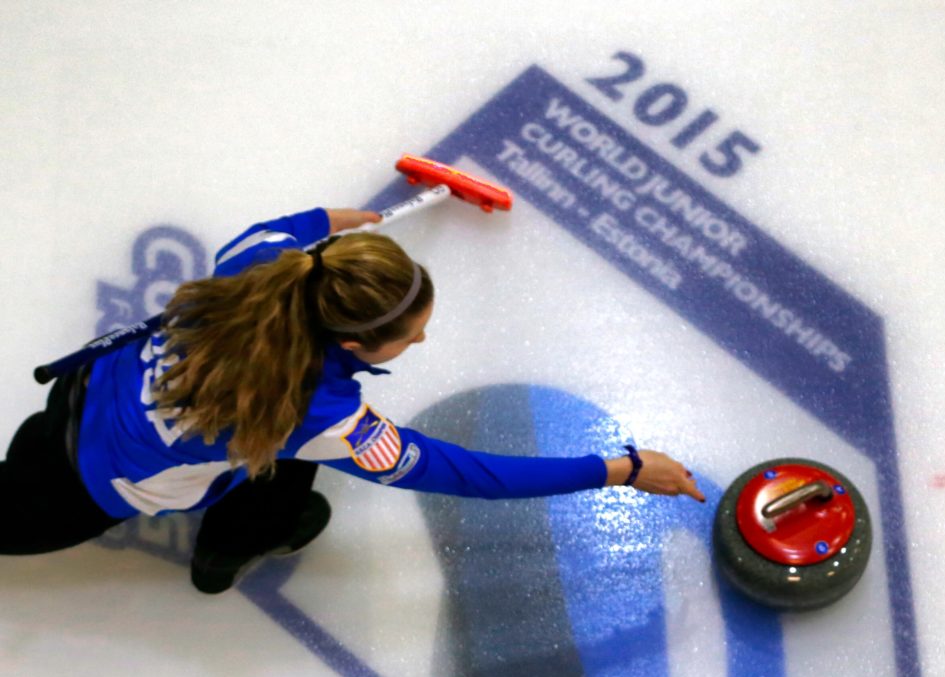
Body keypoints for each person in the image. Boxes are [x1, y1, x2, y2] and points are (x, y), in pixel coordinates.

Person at [0, 205, 705, 592]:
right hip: (77, 493)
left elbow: (303, 229)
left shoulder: (262, 262)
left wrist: (349, 224)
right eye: (411, 335)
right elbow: (470, 473)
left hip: (77, 399)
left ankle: (240, 530)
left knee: (283, 456)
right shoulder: (320, 416)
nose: (422, 343)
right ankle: (227, 551)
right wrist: (623, 469)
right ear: (355, 346)